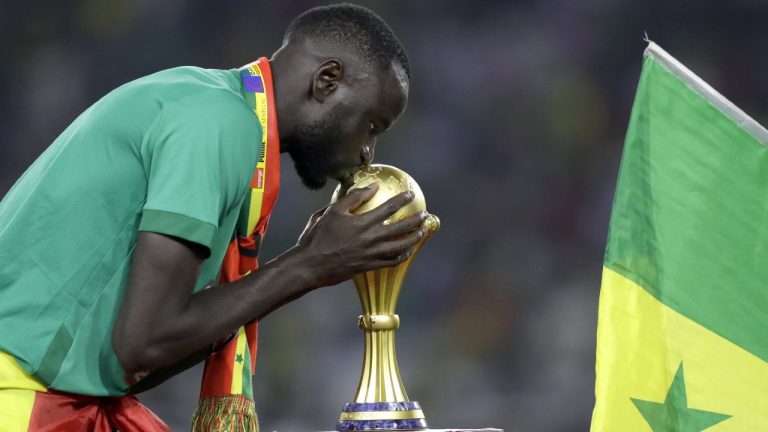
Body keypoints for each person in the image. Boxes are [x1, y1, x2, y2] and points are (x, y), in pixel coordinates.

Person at [0, 3, 426, 430]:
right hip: (20, 398)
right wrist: (307, 264)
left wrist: (306, 265)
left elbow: (136, 362)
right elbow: (142, 344)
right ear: (327, 80)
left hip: (54, 392)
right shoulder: (218, 124)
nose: (368, 151)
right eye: (372, 126)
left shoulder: (212, 105)